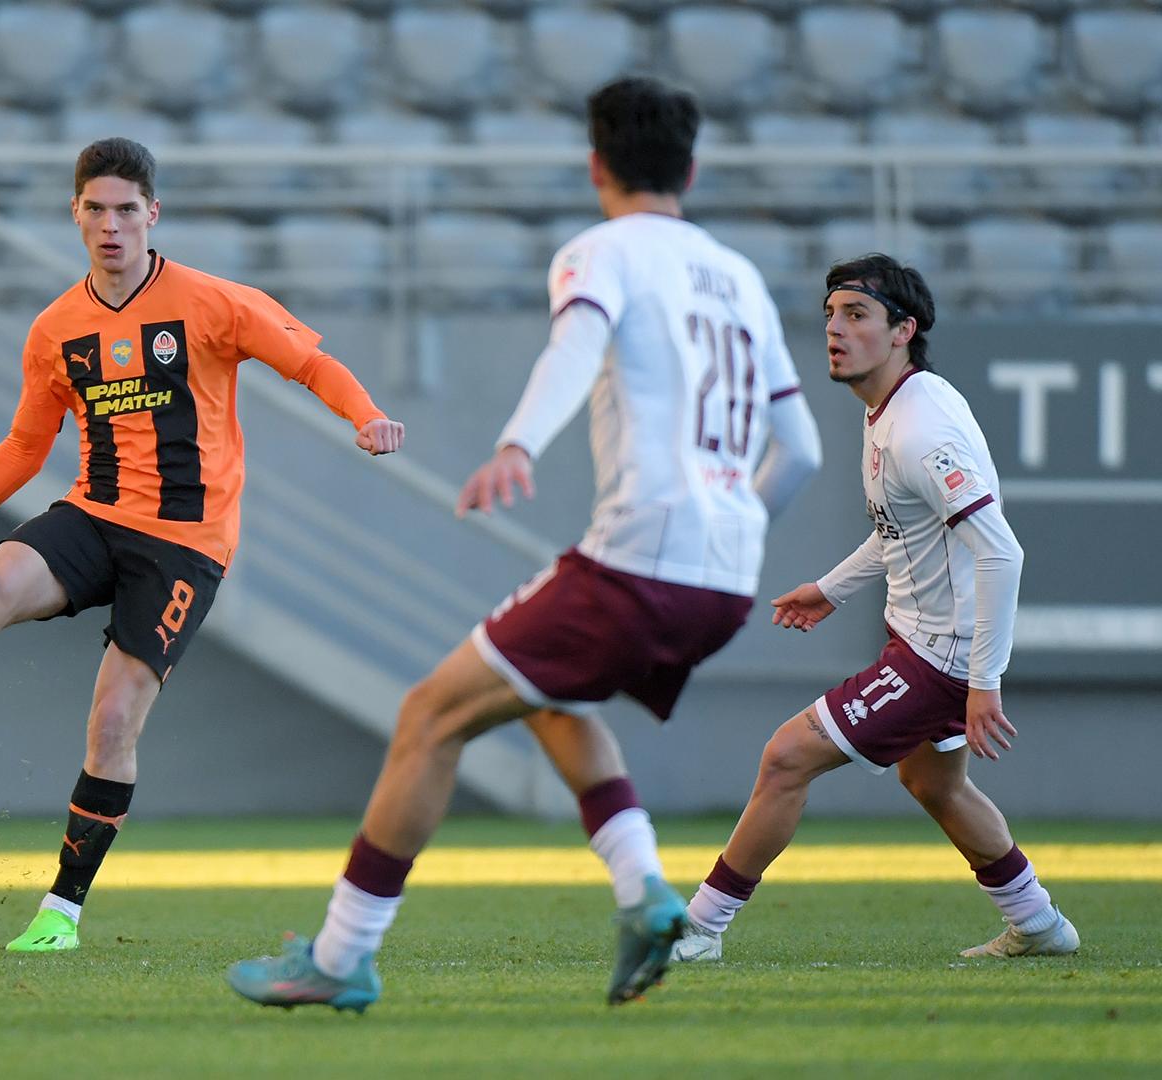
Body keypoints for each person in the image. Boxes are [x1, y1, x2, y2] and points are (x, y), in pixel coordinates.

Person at [226, 75, 822, 1012]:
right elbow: (802, 450)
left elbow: (575, 348)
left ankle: (341, 956)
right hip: (724, 580)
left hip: (639, 562)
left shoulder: (602, 252)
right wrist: (731, 534)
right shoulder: (740, 276)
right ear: (692, 169)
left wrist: (516, 443)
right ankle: (645, 897)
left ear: (595, 166)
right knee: (544, 694)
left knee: (431, 716)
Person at [0, 137, 405, 952]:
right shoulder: (57, 328)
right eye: (95, 210)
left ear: (152, 216)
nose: (110, 226)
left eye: (126, 210)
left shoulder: (212, 303)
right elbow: (24, 451)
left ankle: (61, 912)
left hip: (186, 544)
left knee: (113, 721)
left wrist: (365, 415)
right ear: (76, 215)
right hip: (95, 515)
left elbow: (311, 362)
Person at [672, 253, 1079, 965]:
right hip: (925, 642)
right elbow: (903, 526)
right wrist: (831, 589)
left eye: (856, 314)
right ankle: (1040, 925)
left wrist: (984, 680)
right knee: (933, 781)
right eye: (830, 314)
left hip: (940, 655)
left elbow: (1002, 553)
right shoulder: (896, 406)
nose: (835, 329)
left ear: (903, 331)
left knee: (786, 758)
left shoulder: (920, 430)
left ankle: (699, 930)